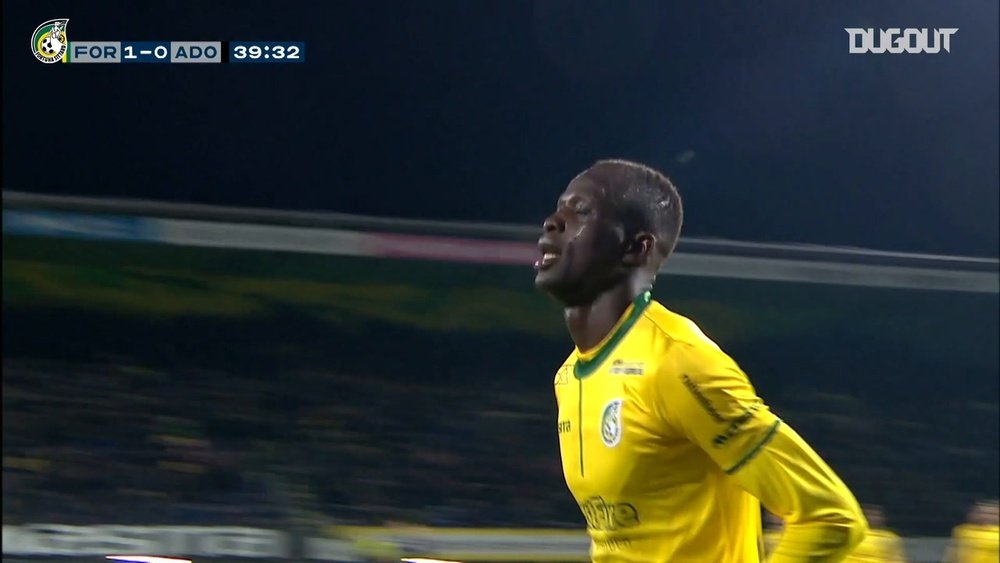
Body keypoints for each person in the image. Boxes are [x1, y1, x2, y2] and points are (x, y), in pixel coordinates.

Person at [534, 159, 868, 562]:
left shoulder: (677, 362)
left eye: (581, 211)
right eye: (560, 207)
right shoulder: (569, 376)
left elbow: (830, 518)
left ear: (636, 248)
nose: (554, 221)